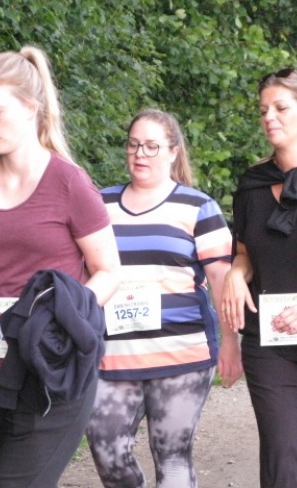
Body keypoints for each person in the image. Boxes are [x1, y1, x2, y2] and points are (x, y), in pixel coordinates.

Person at [0, 46, 120, 488]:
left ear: (29, 109)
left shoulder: (69, 182)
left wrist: (60, 315)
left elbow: (109, 271)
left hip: (53, 369)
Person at [86, 109, 243, 488]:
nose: (140, 153)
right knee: (107, 450)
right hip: (112, 355)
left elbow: (222, 281)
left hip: (181, 355)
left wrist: (230, 342)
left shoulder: (199, 207)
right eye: (133, 145)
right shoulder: (99, 205)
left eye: (151, 146)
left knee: (172, 456)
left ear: (173, 151)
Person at [222, 67, 297, 488]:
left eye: (280, 108)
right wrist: (236, 272)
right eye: (263, 110)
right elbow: (246, 252)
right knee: (283, 456)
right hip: (269, 342)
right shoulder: (252, 184)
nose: (269, 117)